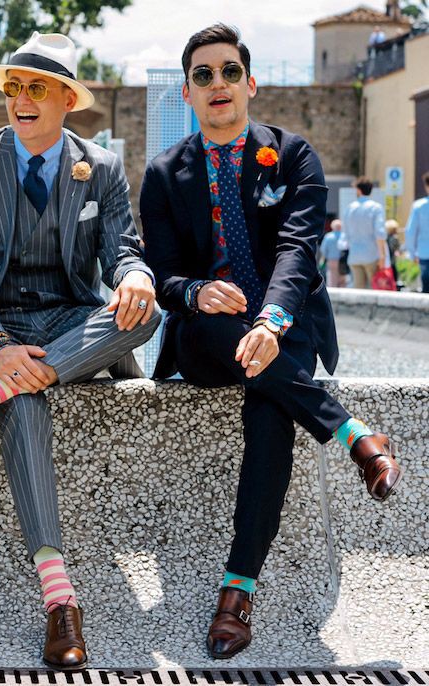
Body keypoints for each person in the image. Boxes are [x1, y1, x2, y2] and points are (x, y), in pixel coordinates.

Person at [140, 23, 402, 660]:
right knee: (223, 332)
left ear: (250, 84)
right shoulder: (164, 174)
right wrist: (196, 290)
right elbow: (162, 274)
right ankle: (352, 434)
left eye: (229, 71)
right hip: (205, 335)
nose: (218, 83)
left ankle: (237, 591)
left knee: (269, 407)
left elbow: (297, 251)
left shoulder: (293, 156)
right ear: (187, 93)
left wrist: (271, 321)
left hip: (284, 327)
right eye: (203, 75)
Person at [0, 32, 160, 670]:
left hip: (67, 319)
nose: (21, 99)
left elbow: (122, 251)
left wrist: (135, 276)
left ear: (67, 100)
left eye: (37, 89)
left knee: (147, 312)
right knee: (24, 405)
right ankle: (60, 601)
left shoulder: (101, 167)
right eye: (14, 87)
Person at [341, 177, 387, 289]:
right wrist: (382, 256)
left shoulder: (349, 208)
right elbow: (379, 232)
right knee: (374, 289)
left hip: (354, 255)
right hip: (371, 254)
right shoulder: (376, 208)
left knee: (358, 291)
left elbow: (345, 233)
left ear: (358, 190)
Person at [404, 171, 429, 293]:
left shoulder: (418, 206)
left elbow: (410, 231)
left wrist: (412, 253)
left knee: (426, 289)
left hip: (425, 253)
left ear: (426, 186)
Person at [318, 219, 344, 288]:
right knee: (342, 279)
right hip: (342, 261)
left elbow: (323, 249)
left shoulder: (328, 236)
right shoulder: (344, 236)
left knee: (332, 279)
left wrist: (324, 258)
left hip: (331, 260)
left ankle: (333, 293)